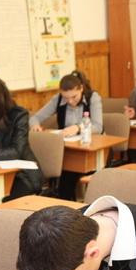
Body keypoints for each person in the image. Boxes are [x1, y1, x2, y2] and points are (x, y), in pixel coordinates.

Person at [30, 70, 104, 200]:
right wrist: (35, 125)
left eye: (74, 97)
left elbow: (98, 126)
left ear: (81, 88)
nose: (70, 101)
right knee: (65, 182)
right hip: (68, 150)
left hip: (92, 148)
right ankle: (68, 206)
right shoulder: (58, 99)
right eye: (66, 97)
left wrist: (78, 127)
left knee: (87, 181)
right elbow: (34, 118)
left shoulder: (93, 97)